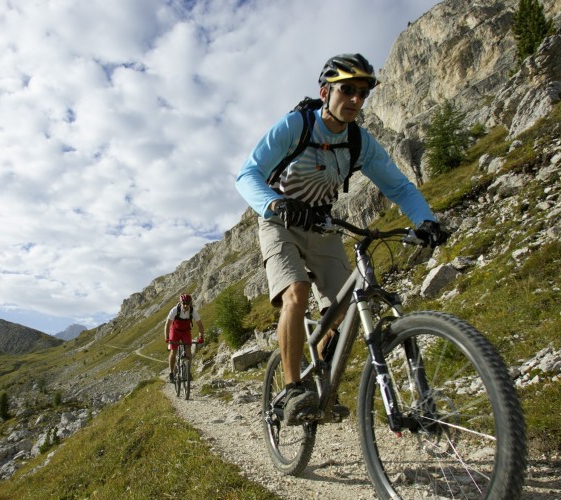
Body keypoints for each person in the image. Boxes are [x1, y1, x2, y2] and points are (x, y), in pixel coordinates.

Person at [235, 53, 448, 425]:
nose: (355, 100)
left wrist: (426, 220)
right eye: (346, 90)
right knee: (296, 292)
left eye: (362, 93)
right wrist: (276, 205)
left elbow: (397, 186)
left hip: (323, 228)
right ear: (324, 92)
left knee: (347, 314)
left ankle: (319, 380)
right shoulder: (296, 126)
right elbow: (247, 174)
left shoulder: (359, 142)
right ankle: (291, 390)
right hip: (279, 222)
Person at [164, 294, 205, 383]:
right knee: (173, 351)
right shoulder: (175, 310)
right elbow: (167, 324)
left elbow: (200, 325)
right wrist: (167, 337)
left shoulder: (193, 311)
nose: (186, 305)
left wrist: (201, 337)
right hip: (175, 331)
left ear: (190, 303)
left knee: (189, 351)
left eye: (188, 303)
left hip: (186, 331)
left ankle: (187, 371)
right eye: (184, 303)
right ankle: (171, 373)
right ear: (180, 302)